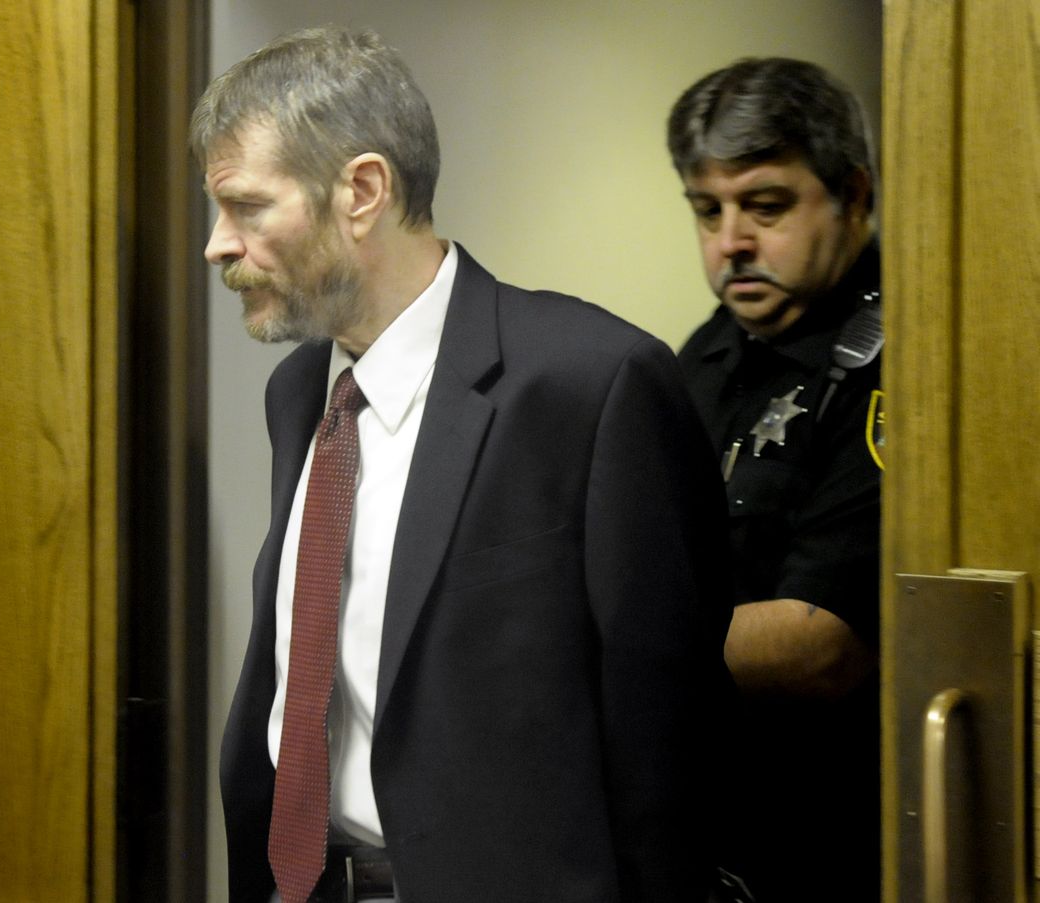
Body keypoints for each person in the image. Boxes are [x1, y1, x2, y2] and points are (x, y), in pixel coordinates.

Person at [194, 25, 733, 903]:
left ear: (361, 191)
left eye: (247, 208)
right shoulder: (300, 394)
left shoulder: (592, 385)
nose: (219, 244)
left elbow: (670, 737)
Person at [666, 58, 882, 902]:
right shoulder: (703, 356)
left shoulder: (897, 354)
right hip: (707, 840)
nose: (732, 242)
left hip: (829, 842)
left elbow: (820, 641)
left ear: (853, 195)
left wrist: (591, 637)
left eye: (766, 205)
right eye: (707, 211)